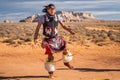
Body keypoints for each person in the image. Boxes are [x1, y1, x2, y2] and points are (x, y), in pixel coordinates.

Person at [34, 4, 75, 78]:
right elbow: (37, 28)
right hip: (48, 39)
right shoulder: (43, 18)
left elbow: (63, 26)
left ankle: (66, 63)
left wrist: (70, 31)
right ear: (47, 10)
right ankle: (51, 73)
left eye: (54, 9)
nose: (52, 10)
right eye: (51, 9)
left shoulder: (57, 16)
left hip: (56, 38)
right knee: (50, 57)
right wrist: (35, 37)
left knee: (65, 50)